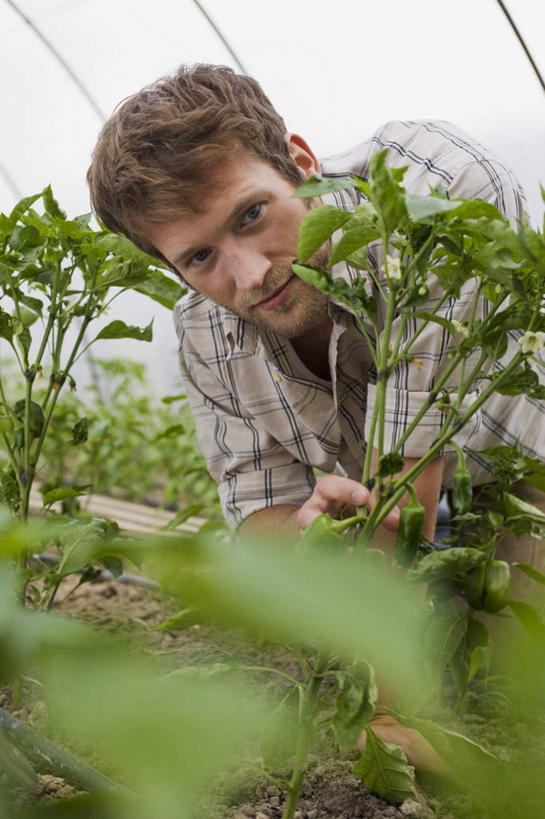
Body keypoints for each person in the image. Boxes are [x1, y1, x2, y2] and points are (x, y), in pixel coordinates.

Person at [87, 63, 544, 773]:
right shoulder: (208, 330)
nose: (248, 275)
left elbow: (403, 482)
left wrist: (385, 713)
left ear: (300, 165)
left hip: (522, 467)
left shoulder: (436, 200)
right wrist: (307, 537)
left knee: (522, 690)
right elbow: (258, 507)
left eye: (251, 215)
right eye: (199, 257)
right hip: (395, 510)